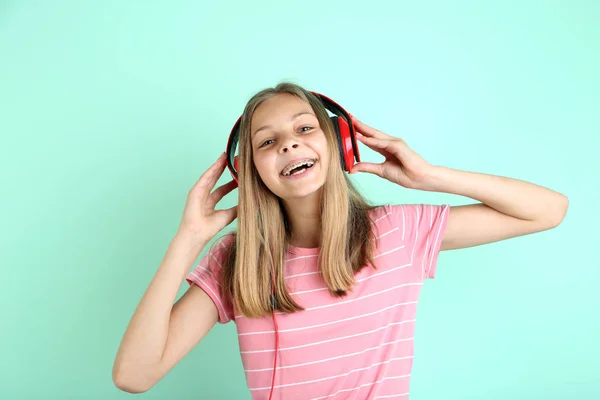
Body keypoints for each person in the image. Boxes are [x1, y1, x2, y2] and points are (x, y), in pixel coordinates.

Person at [112, 82, 569, 399]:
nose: (289, 145)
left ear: (341, 143)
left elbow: (549, 210)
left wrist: (431, 176)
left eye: (304, 128)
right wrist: (188, 238)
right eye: (267, 142)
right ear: (250, 173)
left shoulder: (396, 232)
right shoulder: (237, 261)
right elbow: (134, 375)